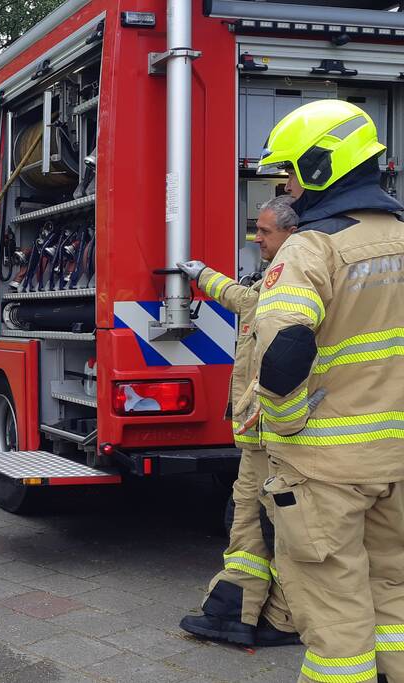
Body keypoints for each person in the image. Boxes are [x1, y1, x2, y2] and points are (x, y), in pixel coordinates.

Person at [248, 99, 404, 683]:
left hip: (326, 466)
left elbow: (284, 350)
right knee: (393, 590)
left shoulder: (313, 246)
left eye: (290, 172)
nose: (287, 187)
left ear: (320, 167)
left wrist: (284, 423)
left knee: (334, 605)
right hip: (396, 460)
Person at [176, 195, 301, 647]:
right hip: (257, 434)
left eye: (265, 231)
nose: (256, 239)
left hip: (277, 434)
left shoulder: (300, 277)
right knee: (248, 520)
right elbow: (246, 300)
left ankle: (283, 620)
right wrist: (203, 276)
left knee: (275, 527)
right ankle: (234, 613)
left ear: (291, 233)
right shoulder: (277, 278)